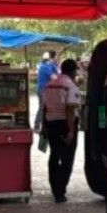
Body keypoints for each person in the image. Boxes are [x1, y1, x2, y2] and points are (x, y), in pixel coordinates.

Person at [41, 59, 81, 203]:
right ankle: (60, 191)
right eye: (76, 71)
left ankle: (54, 188)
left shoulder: (49, 85)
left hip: (51, 123)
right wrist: (70, 131)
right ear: (72, 71)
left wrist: (44, 126)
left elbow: (44, 107)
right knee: (67, 159)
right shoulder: (71, 87)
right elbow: (70, 109)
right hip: (66, 124)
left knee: (54, 156)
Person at [34, 50, 59, 132]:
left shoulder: (51, 65)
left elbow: (59, 72)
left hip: (46, 90)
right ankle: (37, 127)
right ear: (52, 58)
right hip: (43, 90)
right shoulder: (45, 67)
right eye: (56, 57)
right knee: (42, 108)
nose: (57, 58)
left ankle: (45, 127)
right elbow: (54, 77)